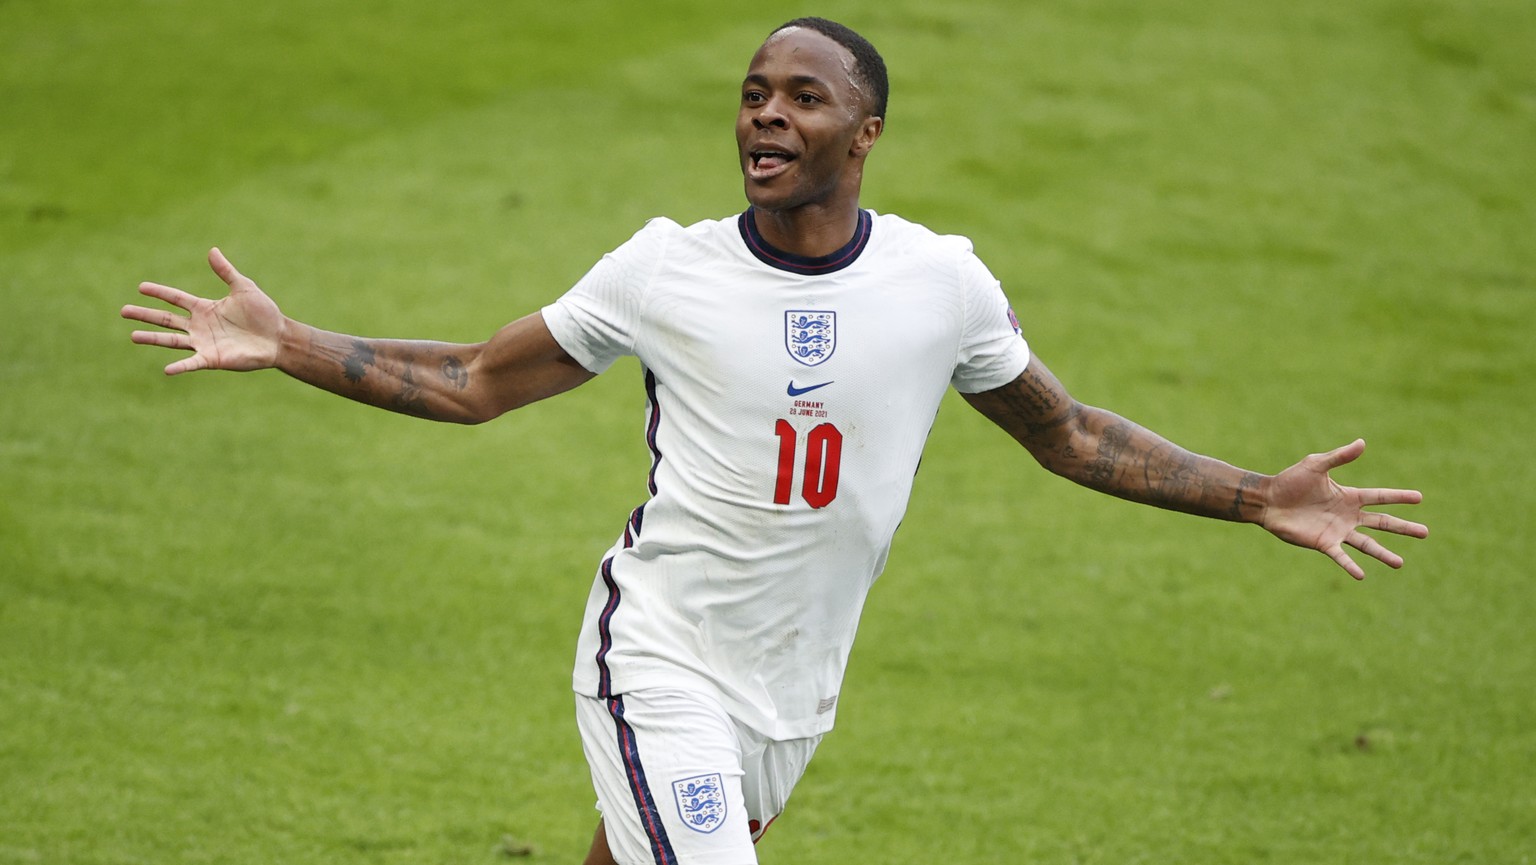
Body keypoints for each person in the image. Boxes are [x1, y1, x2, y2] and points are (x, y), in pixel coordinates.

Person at [120, 17, 1427, 865]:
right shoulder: (664, 273)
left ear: (864, 135)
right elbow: (473, 379)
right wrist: (286, 343)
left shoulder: (943, 283)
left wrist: (1261, 495)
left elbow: (1072, 433)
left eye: (802, 98)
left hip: (795, 686)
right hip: (659, 655)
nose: (765, 116)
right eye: (753, 95)